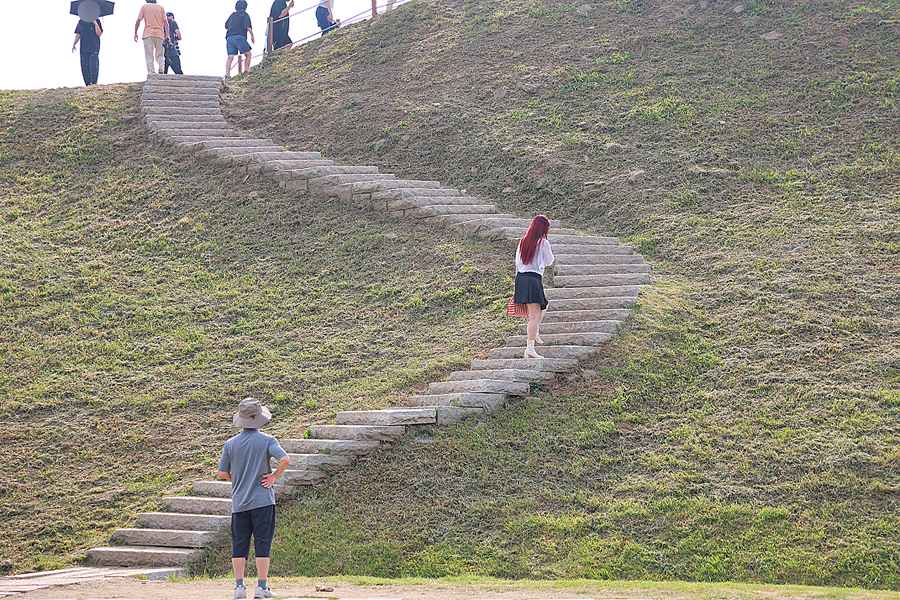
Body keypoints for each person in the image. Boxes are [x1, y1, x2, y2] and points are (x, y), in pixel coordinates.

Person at [218, 398, 291, 600]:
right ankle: (261, 587)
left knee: (239, 544)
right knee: (262, 543)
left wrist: (238, 476)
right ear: (259, 419)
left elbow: (222, 473)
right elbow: (285, 459)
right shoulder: (268, 440)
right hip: (263, 501)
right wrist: (274, 476)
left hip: (239, 502)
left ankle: (239, 588)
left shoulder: (230, 444)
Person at [513, 215, 554, 359]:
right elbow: (550, 261)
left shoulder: (523, 241)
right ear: (544, 228)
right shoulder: (543, 242)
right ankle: (530, 349)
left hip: (521, 279)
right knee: (534, 317)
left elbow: (517, 263)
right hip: (533, 279)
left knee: (544, 306)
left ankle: (534, 332)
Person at [134, 0, 169, 75]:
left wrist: (135, 32)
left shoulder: (145, 7)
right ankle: (161, 68)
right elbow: (165, 22)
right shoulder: (161, 7)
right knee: (160, 54)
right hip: (160, 33)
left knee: (149, 55)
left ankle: (152, 72)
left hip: (148, 33)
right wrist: (167, 35)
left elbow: (138, 20)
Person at [225, 1, 255, 78]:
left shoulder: (232, 15)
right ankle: (246, 72)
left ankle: (227, 74)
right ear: (245, 7)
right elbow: (248, 26)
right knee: (248, 54)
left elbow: (226, 25)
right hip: (239, 37)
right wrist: (252, 36)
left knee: (230, 57)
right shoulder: (244, 15)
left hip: (229, 37)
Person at [72, 19, 103, 86]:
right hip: (84, 47)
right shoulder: (81, 21)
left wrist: (95, 23)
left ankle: (94, 83)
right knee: (85, 66)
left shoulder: (97, 21)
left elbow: (99, 33)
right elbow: (78, 33)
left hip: (94, 47)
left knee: (93, 65)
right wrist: (74, 44)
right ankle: (87, 84)